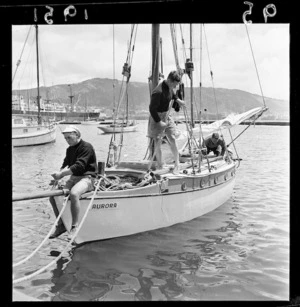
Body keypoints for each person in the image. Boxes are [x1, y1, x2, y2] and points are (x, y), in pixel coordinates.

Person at [49, 125, 97, 239]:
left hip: (88, 177)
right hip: (74, 177)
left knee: (74, 194)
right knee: (53, 197)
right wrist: (58, 176)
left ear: (77, 135)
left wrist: (62, 174)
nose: (67, 141)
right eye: (65, 138)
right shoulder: (69, 149)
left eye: (69, 137)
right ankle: (61, 225)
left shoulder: (87, 147)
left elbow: (79, 166)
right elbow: (66, 163)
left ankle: (74, 226)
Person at [147, 70, 185, 173]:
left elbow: (172, 94)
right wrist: (159, 122)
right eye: (175, 84)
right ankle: (160, 165)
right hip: (156, 117)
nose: (175, 87)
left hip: (167, 115)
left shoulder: (170, 87)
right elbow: (152, 109)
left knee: (172, 138)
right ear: (169, 80)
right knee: (157, 141)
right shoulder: (158, 92)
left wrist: (178, 100)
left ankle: (177, 163)